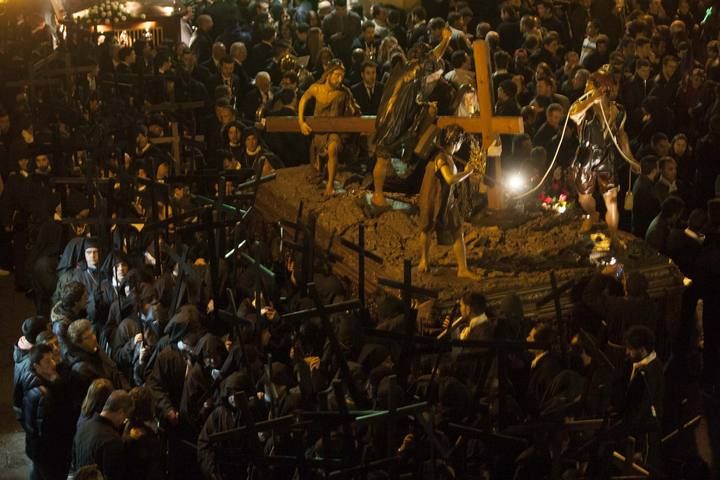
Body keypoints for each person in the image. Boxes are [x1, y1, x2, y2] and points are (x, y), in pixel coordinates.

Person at [371, 24, 452, 208]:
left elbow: (411, 96)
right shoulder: (416, 68)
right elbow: (434, 56)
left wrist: (423, 104)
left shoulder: (402, 69)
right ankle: (377, 195)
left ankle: (378, 194)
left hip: (388, 117)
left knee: (382, 157)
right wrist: (446, 39)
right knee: (383, 157)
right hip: (394, 120)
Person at [568, 65, 640, 243]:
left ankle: (613, 235)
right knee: (584, 198)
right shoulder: (586, 109)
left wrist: (630, 158)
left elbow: (622, 136)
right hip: (586, 157)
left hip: (607, 157)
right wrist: (592, 97)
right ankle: (593, 214)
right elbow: (573, 114)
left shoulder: (618, 111)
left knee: (612, 199)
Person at [417, 125, 477, 278]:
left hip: (446, 199)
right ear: (454, 141)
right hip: (433, 197)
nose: (459, 147)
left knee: (457, 230)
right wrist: (467, 172)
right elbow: (450, 179)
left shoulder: (447, 156)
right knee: (427, 228)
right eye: (459, 143)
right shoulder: (441, 157)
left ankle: (462, 268)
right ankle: (424, 260)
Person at [298, 59, 360, 196]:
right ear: (328, 74)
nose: (340, 79)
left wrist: (354, 111)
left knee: (332, 148)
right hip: (319, 132)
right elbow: (303, 99)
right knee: (318, 155)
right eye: (337, 75)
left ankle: (330, 186)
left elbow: (354, 110)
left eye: (342, 76)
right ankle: (322, 175)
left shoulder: (344, 93)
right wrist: (301, 122)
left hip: (334, 131)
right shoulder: (316, 88)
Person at [22, 344, 74, 480]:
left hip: (38, 449)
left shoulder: (33, 379)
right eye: (47, 362)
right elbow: (49, 430)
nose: (53, 364)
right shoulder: (43, 395)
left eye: (52, 359)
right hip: (49, 454)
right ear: (36, 366)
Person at [71, 390, 134, 480]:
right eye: (125, 417)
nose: (124, 421)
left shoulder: (83, 427)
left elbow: (74, 462)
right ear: (120, 412)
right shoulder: (112, 441)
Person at [631, 156, 661, 238]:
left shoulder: (641, 180)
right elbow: (649, 210)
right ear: (654, 170)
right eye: (658, 167)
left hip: (639, 226)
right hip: (643, 229)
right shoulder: (647, 188)